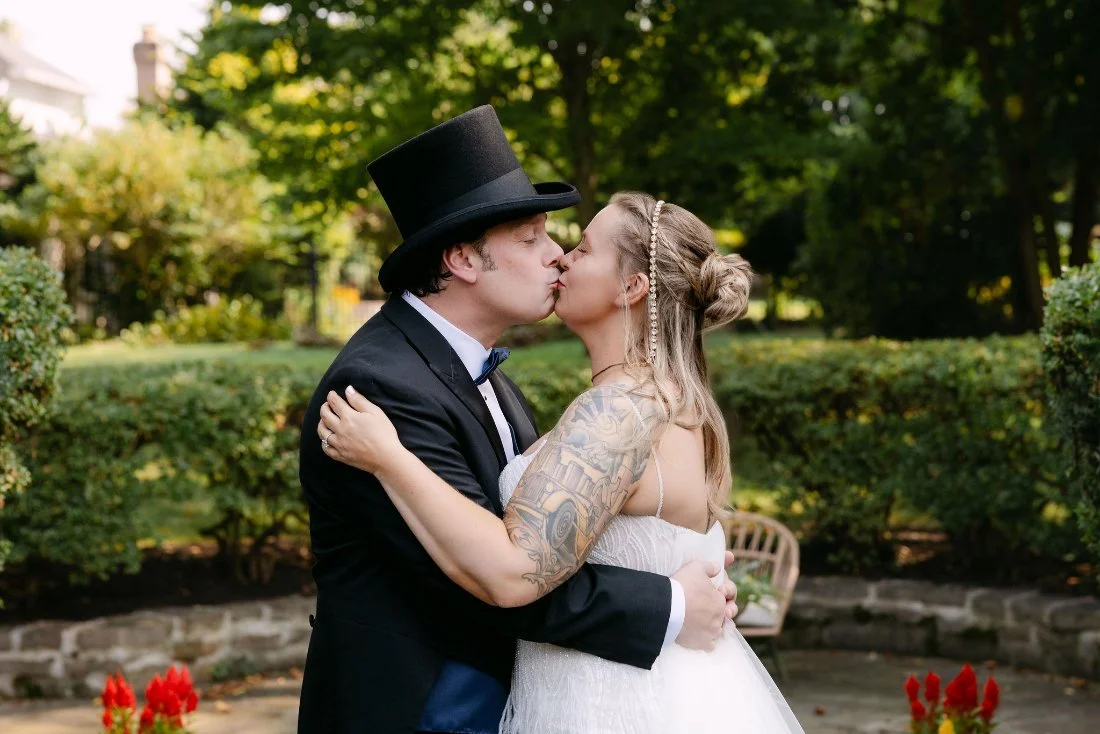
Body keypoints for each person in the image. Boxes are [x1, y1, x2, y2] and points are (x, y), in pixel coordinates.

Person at [296, 105, 738, 734]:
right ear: (464, 261)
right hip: (420, 707)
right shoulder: (379, 386)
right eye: (531, 238)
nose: (556, 256)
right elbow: (484, 577)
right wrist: (667, 604)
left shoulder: (496, 378)